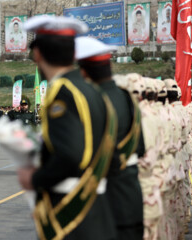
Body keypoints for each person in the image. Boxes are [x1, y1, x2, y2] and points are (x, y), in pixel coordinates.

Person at [17, 16, 118, 240]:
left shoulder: (64, 93)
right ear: (73, 54)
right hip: (97, 207)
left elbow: (71, 156)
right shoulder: (92, 91)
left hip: (72, 213)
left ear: (38, 54)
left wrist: (34, 179)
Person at [75, 37, 145, 240]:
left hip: (104, 202)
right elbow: (141, 148)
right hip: (131, 197)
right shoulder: (127, 97)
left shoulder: (91, 101)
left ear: (84, 71)